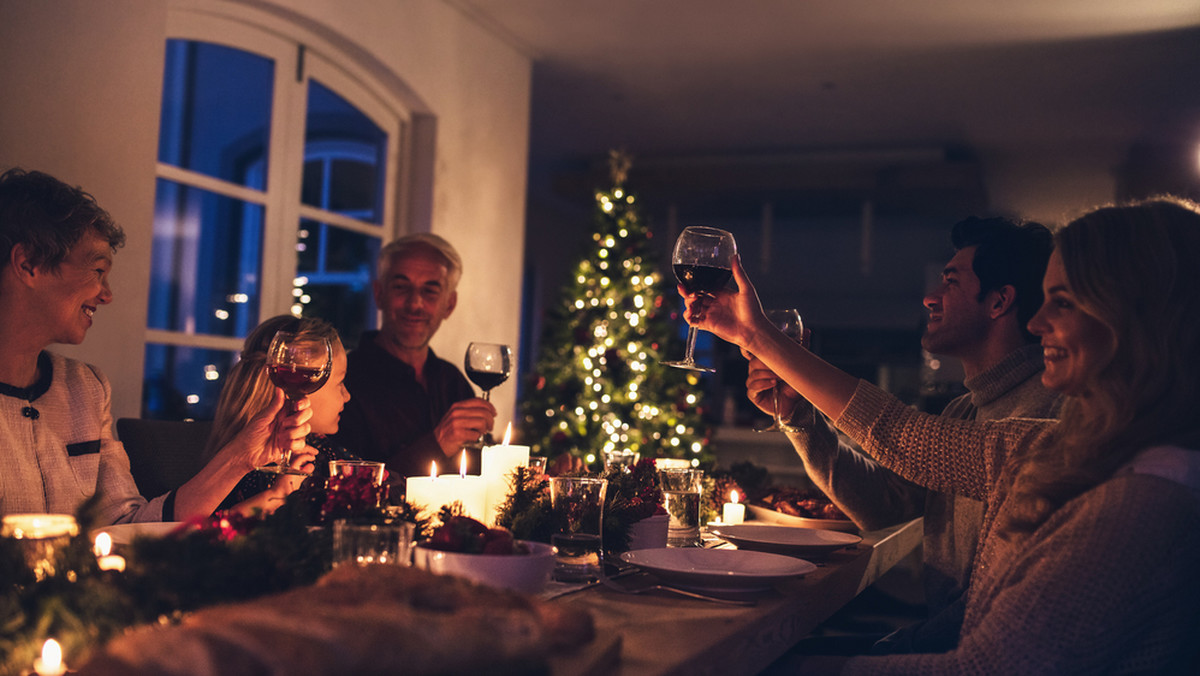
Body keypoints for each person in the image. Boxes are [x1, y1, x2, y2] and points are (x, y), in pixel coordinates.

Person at [684, 197, 1200, 673]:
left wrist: (758, 337)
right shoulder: (1070, 444)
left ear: (1137, 318)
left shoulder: (1138, 498)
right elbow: (895, 479)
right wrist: (797, 413)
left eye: (1062, 301)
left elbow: (983, 666)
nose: (1039, 321)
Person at [749, 217, 1061, 653]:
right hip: (941, 635)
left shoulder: (1051, 412)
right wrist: (802, 420)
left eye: (951, 282)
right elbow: (886, 504)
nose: (929, 297)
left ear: (999, 301)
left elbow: (901, 434)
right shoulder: (963, 409)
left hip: (967, 650)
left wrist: (759, 337)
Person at [0, 168, 308, 525]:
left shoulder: (85, 388)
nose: (107, 294)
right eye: (97, 270)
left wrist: (241, 456)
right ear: (29, 264)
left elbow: (131, 526)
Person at [332, 233, 496, 478]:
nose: (415, 304)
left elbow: (482, 475)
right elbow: (344, 489)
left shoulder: (452, 380)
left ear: (449, 305)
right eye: (401, 287)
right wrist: (437, 443)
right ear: (378, 294)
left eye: (430, 291)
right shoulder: (344, 383)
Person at [203, 315, 356, 515]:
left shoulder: (322, 450)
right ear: (304, 384)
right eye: (339, 382)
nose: (347, 395)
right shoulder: (253, 473)